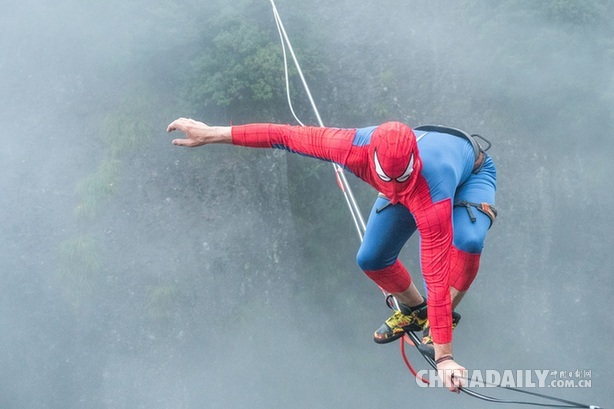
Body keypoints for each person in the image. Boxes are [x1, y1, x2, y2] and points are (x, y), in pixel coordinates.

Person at [166, 118, 497, 393]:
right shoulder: (351, 147)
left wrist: (444, 358)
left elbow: (435, 274)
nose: (394, 185)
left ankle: (442, 320)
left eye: (401, 176)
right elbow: (281, 136)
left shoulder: (430, 185)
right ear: (373, 160)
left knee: (467, 242)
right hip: (420, 183)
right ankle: (415, 309)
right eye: (386, 178)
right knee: (371, 259)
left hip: (468, 177)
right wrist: (213, 134)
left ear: (414, 163)